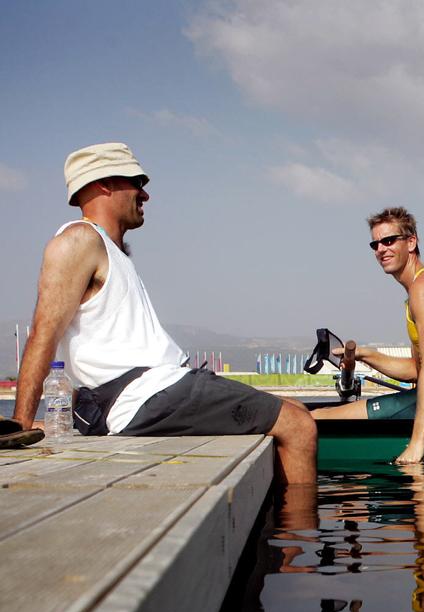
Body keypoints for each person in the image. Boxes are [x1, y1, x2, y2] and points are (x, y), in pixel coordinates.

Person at [12, 142, 317, 484]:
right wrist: (21, 425)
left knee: (296, 408)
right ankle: (300, 537)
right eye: (137, 183)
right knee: (298, 426)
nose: (145, 195)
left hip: (153, 393)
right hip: (146, 396)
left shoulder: (111, 252)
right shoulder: (78, 240)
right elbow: (44, 333)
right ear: (104, 184)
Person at [311, 207, 424, 464]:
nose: (381, 249)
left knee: (315, 418)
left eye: (389, 240)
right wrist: (368, 355)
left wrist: (417, 444)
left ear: (411, 242)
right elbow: (418, 369)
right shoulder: (417, 291)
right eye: (375, 243)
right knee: (322, 414)